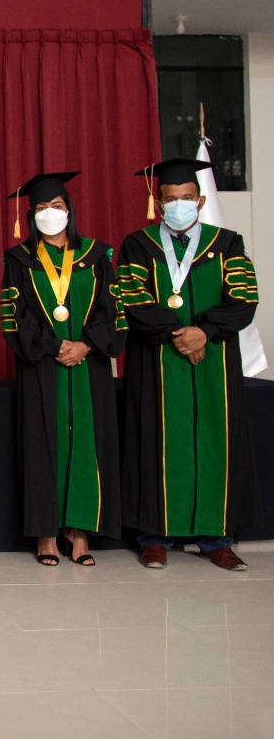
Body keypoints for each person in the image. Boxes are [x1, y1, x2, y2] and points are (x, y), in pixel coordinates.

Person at [118, 158, 260, 571]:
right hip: (157, 360)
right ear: (158, 204)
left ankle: (217, 538)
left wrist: (205, 331)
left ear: (199, 202)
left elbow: (244, 298)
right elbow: (133, 299)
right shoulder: (139, 245)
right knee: (158, 440)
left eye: (185, 198)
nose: (178, 205)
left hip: (213, 360)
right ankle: (155, 537)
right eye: (169, 199)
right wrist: (180, 334)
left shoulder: (227, 243)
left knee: (215, 439)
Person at [0, 172, 126, 567]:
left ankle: (81, 532)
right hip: (43, 367)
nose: (49, 214)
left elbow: (114, 311)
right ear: (30, 215)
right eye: (40, 209)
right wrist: (55, 346)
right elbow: (13, 317)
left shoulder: (97, 255)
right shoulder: (19, 260)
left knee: (88, 445)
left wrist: (87, 344)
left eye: (56, 207)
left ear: (69, 210)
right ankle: (46, 535)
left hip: (90, 365)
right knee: (43, 445)